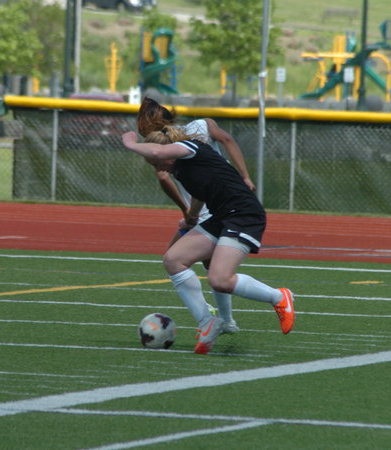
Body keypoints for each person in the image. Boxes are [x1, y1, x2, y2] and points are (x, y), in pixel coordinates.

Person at [121, 126, 294, 355]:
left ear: (167, 152)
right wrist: (191, 217)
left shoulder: (192, 148)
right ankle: (207, 322)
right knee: (173, 260)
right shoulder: (181, 170)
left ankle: (279, 297)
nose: (158, 168)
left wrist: (130, 144)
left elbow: (156, 152)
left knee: (220, 279)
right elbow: (200, 194)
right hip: (221, 216)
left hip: (244, 215)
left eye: (156, 163)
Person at [136, 97, 256, 335]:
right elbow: (228, 139)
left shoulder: (161, 144)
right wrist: (245, 176)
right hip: (219, 202)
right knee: (204, 265)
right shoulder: (202, 125)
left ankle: (211, 317)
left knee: (176, 260)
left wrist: (186, 212)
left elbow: (163, 177)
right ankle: (225, 320)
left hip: (205, 209)